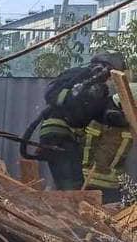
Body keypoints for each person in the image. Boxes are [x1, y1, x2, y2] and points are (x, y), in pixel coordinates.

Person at [35, 52, 133, 203]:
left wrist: (119, 119)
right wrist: (78, 94)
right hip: (59, 133)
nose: (108, 79)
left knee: (72, 184)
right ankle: (68, 220)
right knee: (73, 188)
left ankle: (63, 217)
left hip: (63, 136)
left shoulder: (100, 90)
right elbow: (52, 95)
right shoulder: (78, 76)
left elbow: (96, 114)